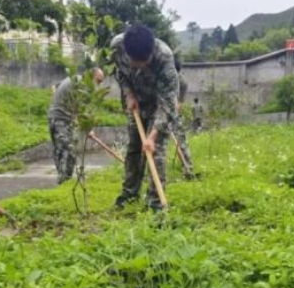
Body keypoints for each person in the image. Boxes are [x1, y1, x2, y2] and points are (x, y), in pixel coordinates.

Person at [110, 24, 178, 211]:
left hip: (158, 106)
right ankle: (129, 194)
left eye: (143, 61)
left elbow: (168, 102)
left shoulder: (164, 57)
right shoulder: (117, 46)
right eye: (134, 61)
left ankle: (156, 204)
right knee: (133, 150)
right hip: (137, 104)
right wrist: (128, 94)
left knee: (155, 152)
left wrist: (153, 135)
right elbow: (120, 74)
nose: (138, 65)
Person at [48, 68, 105, 184]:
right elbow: (81, 111)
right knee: (69, 153)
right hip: (60, 120)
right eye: (98, 81)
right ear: (90, 76)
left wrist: (59, 101)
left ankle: (62, 184)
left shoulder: (75, 79)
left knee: (61, 152)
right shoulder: (81, 85)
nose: (98, 85)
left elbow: (54, 87)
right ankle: (64, 184)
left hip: (56, 117)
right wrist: (89, 129)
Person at [172, 57, 194, 179]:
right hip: (156, 110)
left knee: (181, 140)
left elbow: (179, 103)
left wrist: (171, 115)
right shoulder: (159, 76)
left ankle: (187, 168)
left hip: (173, 113)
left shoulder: (182, 83)